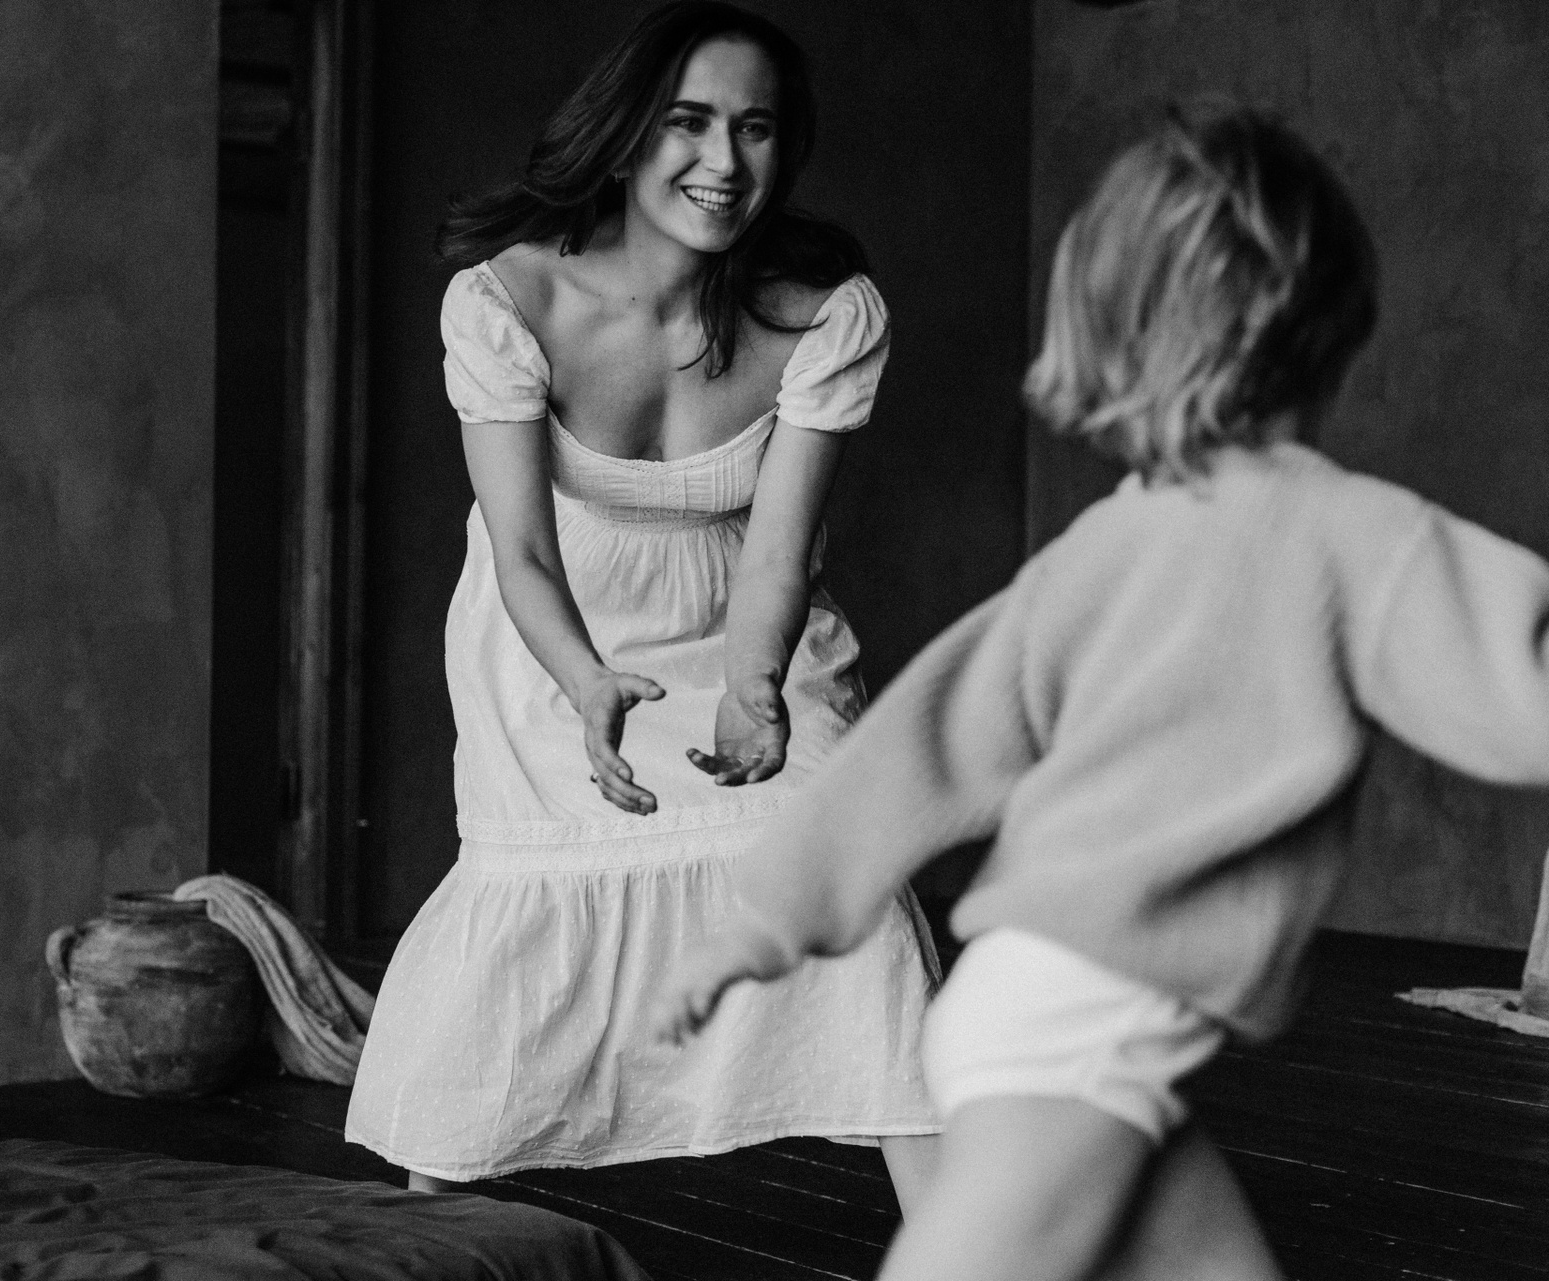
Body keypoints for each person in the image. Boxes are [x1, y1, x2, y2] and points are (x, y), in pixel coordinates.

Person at [652, 109, 1549, 1281]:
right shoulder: (1356, 536)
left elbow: (922, 744)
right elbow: (1523, 697)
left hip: (1026, 1003)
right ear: (1331, 320)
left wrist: (762, 919)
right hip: (1092, 1028)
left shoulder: (1104, 546)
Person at [344, 1, 943, 1208]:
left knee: (848, 885)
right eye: (689, 122)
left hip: (746, 626)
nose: (724, 161)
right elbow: (521, 548)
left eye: (755, 128)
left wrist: (757, 686)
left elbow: (779, 554)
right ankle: (425, 1237)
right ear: (626, 136)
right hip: (552, 635)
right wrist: (586, 683)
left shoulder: (823, 316)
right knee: (529, 914)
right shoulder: (510, 300)